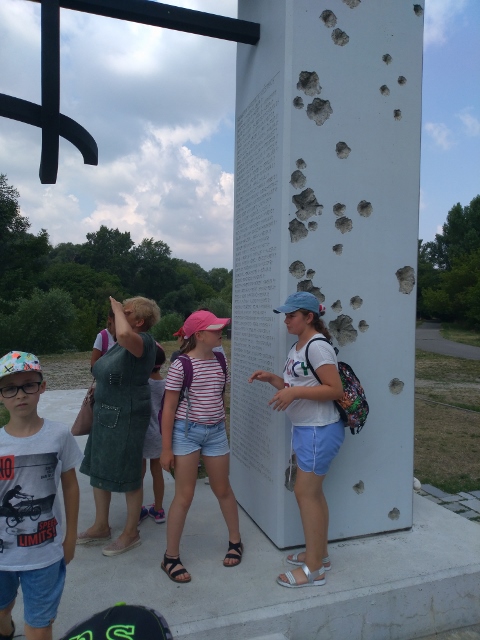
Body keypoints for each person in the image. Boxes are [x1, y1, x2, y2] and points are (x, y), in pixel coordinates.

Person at [248, 292, 344, 588]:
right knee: (313, 494)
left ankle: (314, 569)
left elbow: (335, 390)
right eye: (285, 316)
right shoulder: (298, 346)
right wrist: (274, 380)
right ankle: (320, 555)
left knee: (306, 494)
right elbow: (297, 384)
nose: (286, 321)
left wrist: (293, 392)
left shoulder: (318, 347)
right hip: (307, 429)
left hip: (318, 429)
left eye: (291, 316)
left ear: (309, 317)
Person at [0, 351, 82, 640]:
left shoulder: (59, 435)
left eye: (28, 385)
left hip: (45, 554)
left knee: (39, 625)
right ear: (0, 395)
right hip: (2, 556)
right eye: (10, 388)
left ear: (42, 387)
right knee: (2, 610)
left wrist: (71, 538)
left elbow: (70, 486)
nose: (20, 394)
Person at [160, 310, 242, 583]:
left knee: (223, 489)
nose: (221, 332)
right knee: (184, 496)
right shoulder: (181, 365)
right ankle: (170, 557)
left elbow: (219, 393)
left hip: (216, 432)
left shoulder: (221, 359)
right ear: (199, 335)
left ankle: (235, 541)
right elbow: (169, 408)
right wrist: (166, 448)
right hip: (187, 433)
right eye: (215, 329)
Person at [78, 296, 160, 557]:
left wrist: (116, 306)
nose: (117, 317)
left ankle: (131, 533)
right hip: (106, 415)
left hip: (126, 418)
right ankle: (101, 526)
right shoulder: (118, 345)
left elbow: (124, 335)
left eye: (126, 313)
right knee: (99, 468)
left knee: (129, 473)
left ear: (139, 321)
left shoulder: (143, 341)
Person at [139, 343, 167, 525]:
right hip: (159, 435)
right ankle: (158, 509)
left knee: (139, 474)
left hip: (142, 434)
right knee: (157, 472)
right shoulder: (166, 384)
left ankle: (137, 509)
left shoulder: (142, 384)